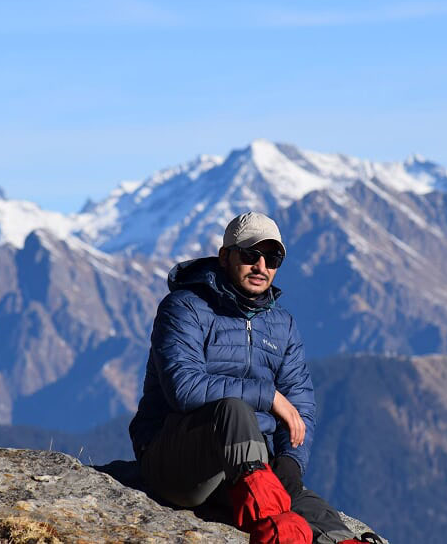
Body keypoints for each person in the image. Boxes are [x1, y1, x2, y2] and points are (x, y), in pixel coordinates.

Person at [129, 212, 376, 544]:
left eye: (272, 257)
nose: (262, 265)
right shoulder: (184, 307)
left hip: (249, 464)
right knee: (233, 411)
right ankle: (278, 532)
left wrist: (290, 462)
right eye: (250, 254)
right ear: (224, 256)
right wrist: (268, 396)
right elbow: (184, 388)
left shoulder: (282, 325)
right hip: (176, 459)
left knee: (313, 509)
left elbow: (299, 406)